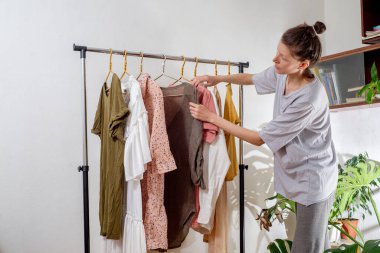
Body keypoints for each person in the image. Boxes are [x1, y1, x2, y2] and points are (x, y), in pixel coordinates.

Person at [189, 21, 338, 253]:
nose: (275, 60)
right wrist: (217, 79)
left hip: (313, 180)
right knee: (315, 243)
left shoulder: (308, 100)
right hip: (297, 173)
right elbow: (253, 79)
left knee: (307, 248)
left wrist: (213, 118)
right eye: (277, 53)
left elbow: (259, 139)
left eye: (283, 57)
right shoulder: (284, 74)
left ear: (303, 64)